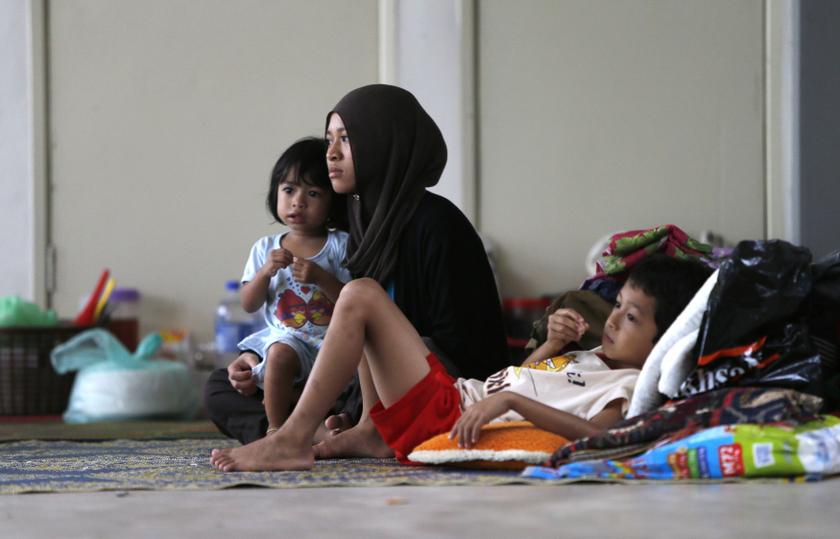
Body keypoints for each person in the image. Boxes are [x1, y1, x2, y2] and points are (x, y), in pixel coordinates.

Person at [210, 255, 712, 471]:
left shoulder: (629, 386)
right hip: (459, 393)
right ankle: (371, 431)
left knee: (360, 296)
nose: (614, 319)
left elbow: (596, 437)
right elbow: (524, 377)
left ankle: (293, 438)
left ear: (666, 340)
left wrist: (511, 403)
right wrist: (550, 349)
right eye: (618, 305)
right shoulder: (595, 356)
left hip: (449, 413)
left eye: (632, 316)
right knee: (359, 307)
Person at [313, 84, 510, 456]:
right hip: (396, 389)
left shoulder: (437, 224)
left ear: (385, 143)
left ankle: (298, 435)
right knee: (229, 383)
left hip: (456, 395)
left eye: (347, 139)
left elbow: (465, 352)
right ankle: (354, 426)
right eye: (329, 140)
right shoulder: (364, 223)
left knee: (361, 303)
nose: (332, 153)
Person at [205, 137, 352, 442]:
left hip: (331, 345)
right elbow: (248, 303)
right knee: (275, 356)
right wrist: (264, 273)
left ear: (332, 203)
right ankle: (277, 432)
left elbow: (352, 302)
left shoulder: (340, 245)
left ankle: (319, 423)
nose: (298, 202)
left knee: (355, 376)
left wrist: (321, 278)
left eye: (313, 193)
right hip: (288, 342)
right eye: (289, 190)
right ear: (275, 193)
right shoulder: (265, 248)